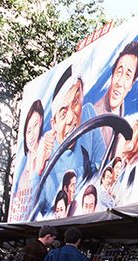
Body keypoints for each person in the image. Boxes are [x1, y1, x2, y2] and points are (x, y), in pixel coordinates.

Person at [31, 65, 106, 220]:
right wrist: (39, 168)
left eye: (76, 102)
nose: (72, 118)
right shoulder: (48, 154)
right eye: (63, 112)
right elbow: (40, 210)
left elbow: (103, 164)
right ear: (54, 123)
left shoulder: (88, 114)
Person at [94, 40, 138, 167]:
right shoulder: (95, 115)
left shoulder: (123, 116)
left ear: (132, 84)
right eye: (119, 72)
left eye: (128, 76)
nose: (120, 82)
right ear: (112, 76)